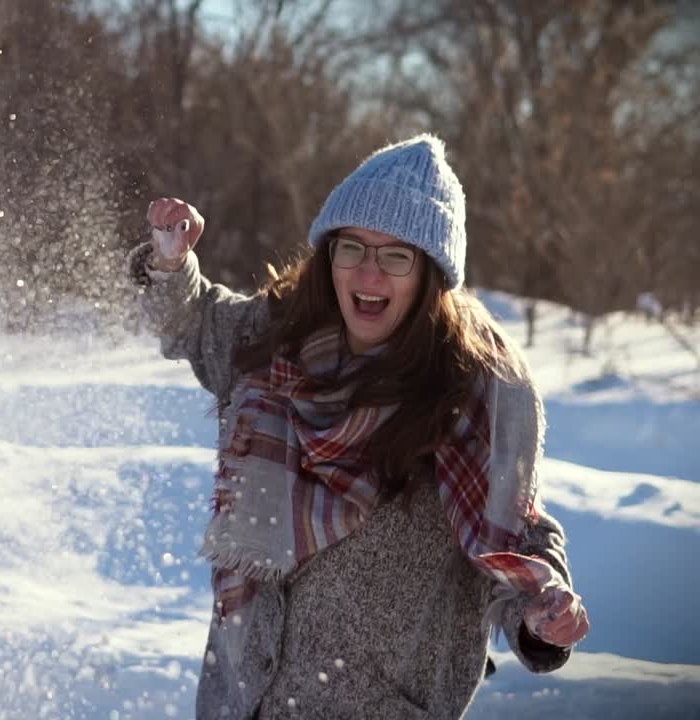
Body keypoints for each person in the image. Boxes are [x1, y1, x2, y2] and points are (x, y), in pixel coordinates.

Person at [128, 134, 590, 719]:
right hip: (242, 706)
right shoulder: (277, 339)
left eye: (396, 255)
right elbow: (195, 325)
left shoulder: (475, 391)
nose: (370, 272)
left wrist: (543, 612)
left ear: (430, 274)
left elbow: (513, 531)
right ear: (330, 254)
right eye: (353, 248)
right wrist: (172, 261)